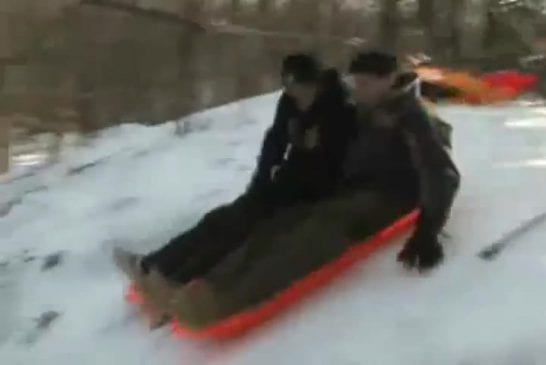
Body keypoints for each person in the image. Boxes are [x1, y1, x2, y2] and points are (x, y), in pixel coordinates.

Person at [161, 51, 461, 329]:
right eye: (354, 81)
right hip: (351, 191)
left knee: (314, 234)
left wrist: (427, 232)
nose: (356, 88)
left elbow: (443, 174)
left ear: (389, 79)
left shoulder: (409, 115)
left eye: (364, 83)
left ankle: (226, 301)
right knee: (280, 224)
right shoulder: (364, 107)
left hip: (390, 197)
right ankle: (211, 285)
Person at [114, 54, 354, 324]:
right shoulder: (289, 102)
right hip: (285, 181)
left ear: (317, 84)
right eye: (290, 87)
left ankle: (180, 282)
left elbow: (333, 163)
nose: (296, 94)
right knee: (223, 218)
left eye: (301, 88)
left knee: (246, 231)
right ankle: (156, 264)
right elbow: (275, 140)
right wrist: (262, 179)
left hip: (314, 191)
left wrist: (296, 180)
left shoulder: (339, 109)